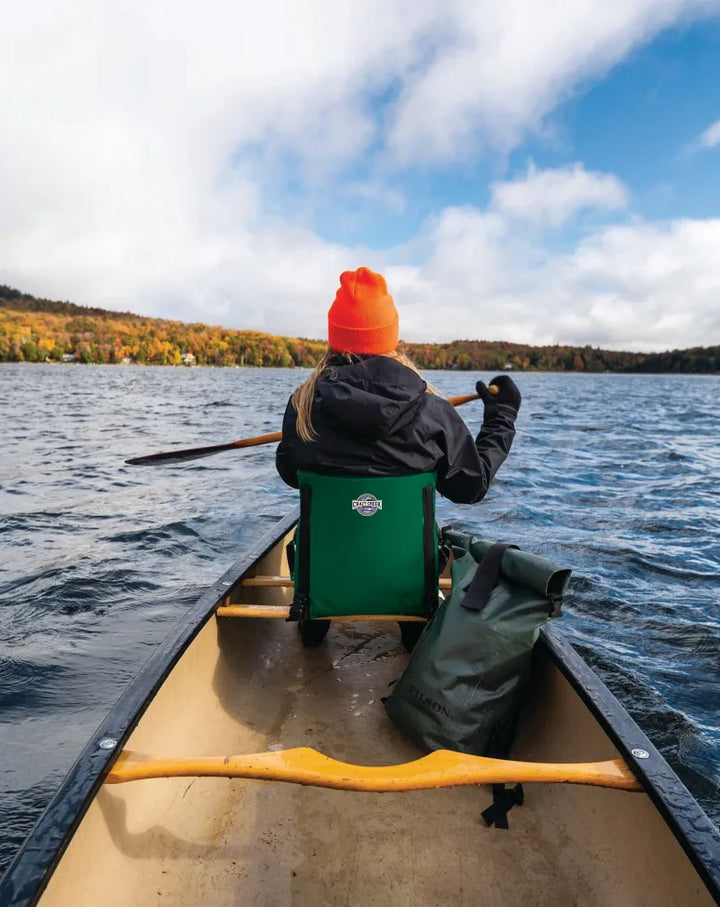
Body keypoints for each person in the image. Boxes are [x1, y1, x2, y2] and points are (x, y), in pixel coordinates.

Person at [276, 266, 520, 646]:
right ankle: (412, 624)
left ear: (334, 339)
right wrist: (501, 417)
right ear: (390, 337)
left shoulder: (302, 406)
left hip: (326, 576)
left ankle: (316, 616)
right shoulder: (433, 411)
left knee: (319, 541)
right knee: (417, 549)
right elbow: (471, 487)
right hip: (405, 580)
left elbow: (291, 474)